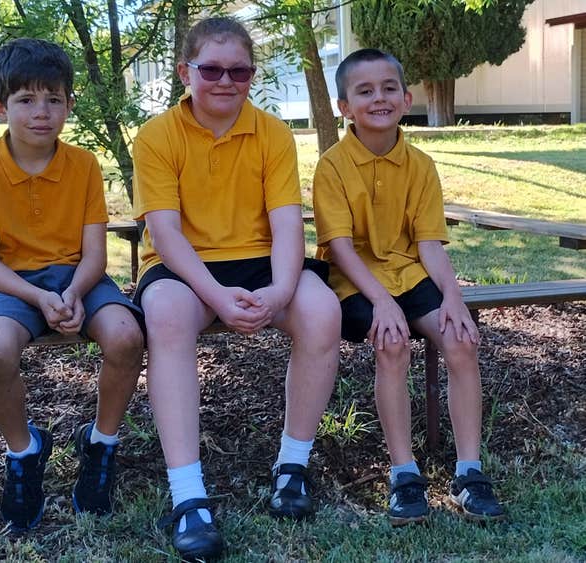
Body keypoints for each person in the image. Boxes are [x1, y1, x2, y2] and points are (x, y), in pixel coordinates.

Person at [132, 16, 341, 561]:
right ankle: (188, 496)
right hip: (185, 265)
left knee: (322, 311)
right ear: (185, 72)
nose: (225, 81)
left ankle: (292, 465)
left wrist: (278, 291)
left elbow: (288, 226)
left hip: (260, 261)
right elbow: (166, 233)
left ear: (252, 74)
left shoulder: (272, 133)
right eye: (211, 69)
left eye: (239, 70)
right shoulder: (157, 137)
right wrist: (217, 297)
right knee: (169, 318)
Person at [0, 38, 144, 532]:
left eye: (54, 99)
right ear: (0, 107)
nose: (42, 112)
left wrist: (75, 293)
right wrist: (39, 297)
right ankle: (24, 451)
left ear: (69, 105)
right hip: (11, 286)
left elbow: (96, 255)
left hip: (80, 277)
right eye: (26, 100)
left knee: (127, 335)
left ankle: (100, 444)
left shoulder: (82, 166)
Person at [313, 48, 505, 526]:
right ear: (345, 107)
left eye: (389, 88)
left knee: (461, 340)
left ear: (406, 97)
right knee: (392, 342)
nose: (379, 98)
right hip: (353, 280)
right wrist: (381, 301)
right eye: (365, 91)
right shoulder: (332, 166)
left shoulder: (420, 165)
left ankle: (469, 472)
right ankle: (404, 474)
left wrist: (454, 296)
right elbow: (338, 248)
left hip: (410, 274)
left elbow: (430, 245)